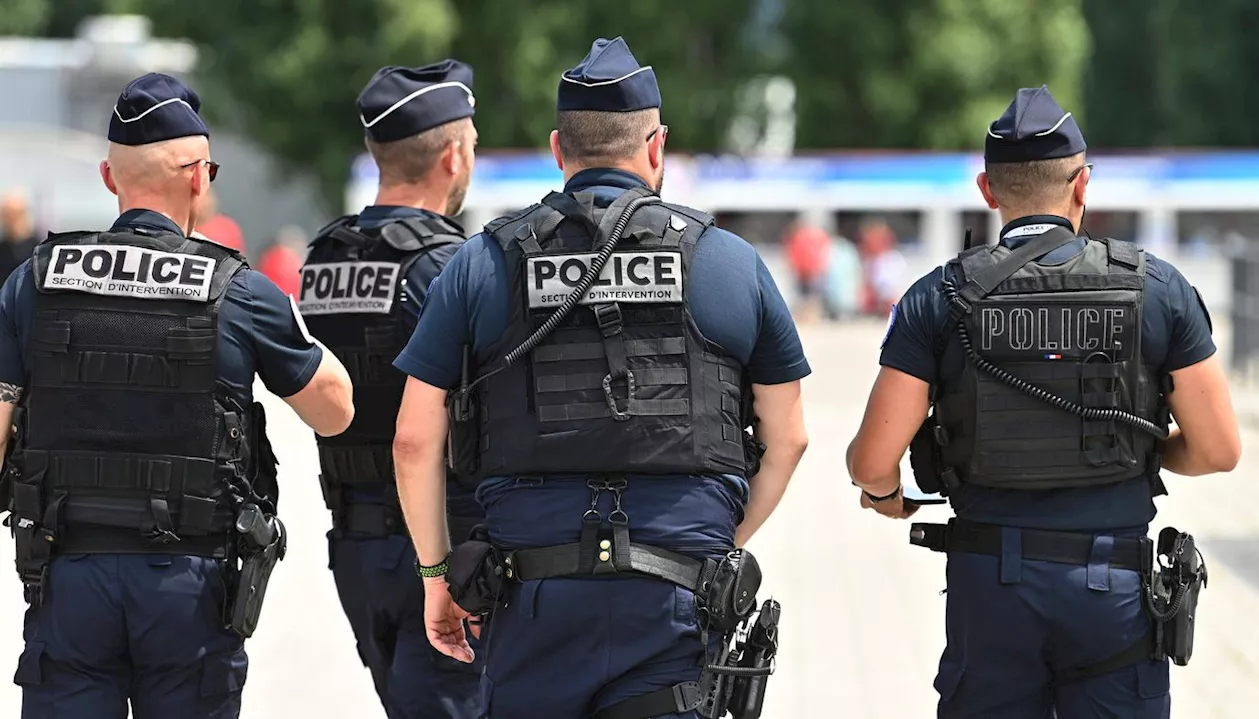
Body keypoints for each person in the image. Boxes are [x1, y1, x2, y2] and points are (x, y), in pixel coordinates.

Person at [391, 37, 810, 719]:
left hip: (531, 598)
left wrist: (438, 576)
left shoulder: (481, 264)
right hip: (675, 599)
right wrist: (709, 548)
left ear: (560, 149)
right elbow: (788, 437)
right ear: (656, 147)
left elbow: (413, 440)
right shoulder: (728, 262)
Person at [845, 86, 1241, 718]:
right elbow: (1219, 450)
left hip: (990, 590)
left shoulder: (936, 299)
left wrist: (890, 496)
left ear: (987, 189)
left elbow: (870, 462)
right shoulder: (1158, 288)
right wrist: (1141, 442)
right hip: (1113, 592)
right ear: (1082, 185)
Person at [0, 73, 355, 718]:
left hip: (66, 574)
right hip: (187, 587)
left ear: (111, 179)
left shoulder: (33, 283)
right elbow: (335, 411)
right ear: (198, 177)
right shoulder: (239, 291)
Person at [299, 59, 481, 718]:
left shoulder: (324, 258)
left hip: (354, 544)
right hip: (440, 543)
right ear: (454, 156)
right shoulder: (451, 267)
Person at [0, 189, 41, 284]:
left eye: (14, 214)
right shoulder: (2, 249)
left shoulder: (39, 249)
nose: (9, 219)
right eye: (6, 214)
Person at [193, 187, 247, 254]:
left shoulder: (227, 227)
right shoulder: (182, 229)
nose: (204, 203)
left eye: (206, 195)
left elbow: (239, 258)